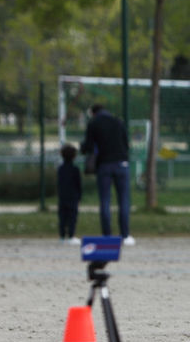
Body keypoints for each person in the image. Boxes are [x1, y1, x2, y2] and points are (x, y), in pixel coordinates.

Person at [80, 103, 134, 245]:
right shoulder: (118, 121)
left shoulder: (94, 123)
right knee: (123, 200)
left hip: (104, 165)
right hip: (122, 163)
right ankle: (125, 235)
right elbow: (127, 144)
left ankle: (107, 235)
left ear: (93, 113)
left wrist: (82, 147)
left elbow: (88, 147)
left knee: (105, 200)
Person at [57, 144, 82, 245]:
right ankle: (71, 235)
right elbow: (78, 184)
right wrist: (79, 196)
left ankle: (62, 236)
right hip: (73, 197)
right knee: (72, 217)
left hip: (63, 196)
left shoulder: (60, 169)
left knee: (62, 217)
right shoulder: (75, 169)